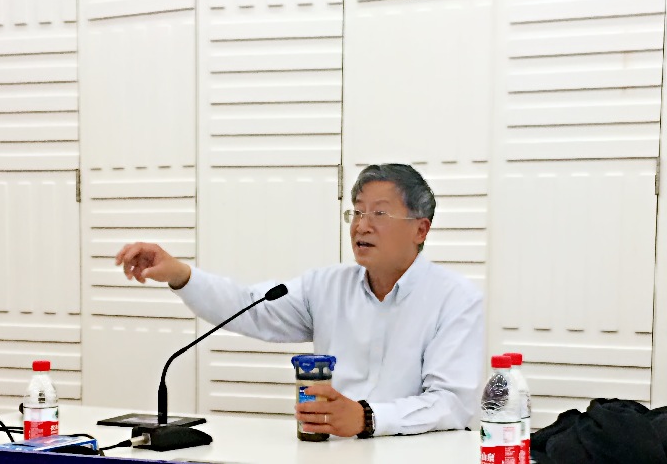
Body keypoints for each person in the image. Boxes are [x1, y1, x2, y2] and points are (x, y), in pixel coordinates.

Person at [116, 163, 484, 438]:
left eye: (380, 213)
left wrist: (368, 417)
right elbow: (249, 308)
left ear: (421, 228)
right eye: (357, 212)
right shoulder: (326, 286)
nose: (361, 225)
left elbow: (451, 403)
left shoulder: (455, 299)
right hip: (336, 453)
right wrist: (180, 274)